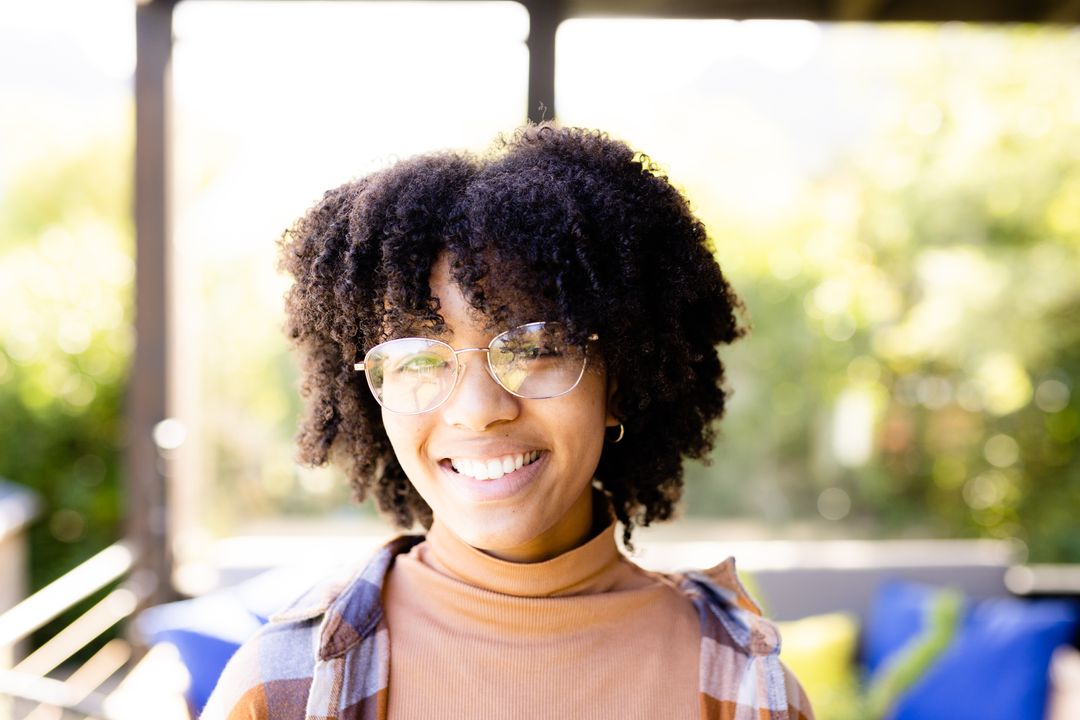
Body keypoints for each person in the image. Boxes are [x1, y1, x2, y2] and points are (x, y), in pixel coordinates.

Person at [202, 124, 813, 720]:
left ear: (619, 380)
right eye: (417, 357)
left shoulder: (744, 689)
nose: (478, 409)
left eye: (534, 347)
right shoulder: (284, 686)